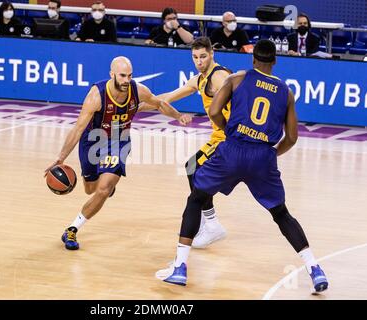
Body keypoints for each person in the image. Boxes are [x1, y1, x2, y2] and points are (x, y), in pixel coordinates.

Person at [155, 40, 329, 293]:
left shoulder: (236, 79)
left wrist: (229, 132)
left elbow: (215, 110)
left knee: (196, 198)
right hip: (263, 157)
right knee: (281, 214)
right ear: (275, 61)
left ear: (253, 59)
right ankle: (314, 268)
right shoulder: (286, 92)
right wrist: (272, 154)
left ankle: (180, 267)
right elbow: (291, 137)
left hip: (233, 150)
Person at [45, 56, 192, 251]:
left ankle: (72, 229)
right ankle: (104, 184)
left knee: (103, 189)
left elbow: (159, 104)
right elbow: (78, 129)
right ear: (112, 74)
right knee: (90, 189)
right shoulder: (96, 96)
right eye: (122, 76)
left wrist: (178, 116)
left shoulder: (138, 89)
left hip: (118, 141)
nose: (126, 80)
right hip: (92, 140)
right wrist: (60, 158)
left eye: (130, 76)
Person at [140, 37, 229, 248]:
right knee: (193, 168)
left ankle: (211, 223)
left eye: (203, 57)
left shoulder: (219, 77)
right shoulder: (199, 80)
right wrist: (136, 106)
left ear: (212, 54)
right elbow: (165, 98)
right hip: (217, 138)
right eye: (195, 57)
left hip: (229, 138)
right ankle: (210, 223)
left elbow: (240, 94)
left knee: (195, 170)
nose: (199, 61)